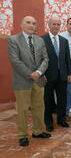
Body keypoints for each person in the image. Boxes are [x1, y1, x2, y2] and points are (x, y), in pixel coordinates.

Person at [7, 16, 51, 147]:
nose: (31, 25)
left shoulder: (40, 40)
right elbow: (15, 61)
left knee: (39, 107)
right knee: (23, 109)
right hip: (22, 80)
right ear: (22, 24)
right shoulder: (13, 40)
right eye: (28, 22)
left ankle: (37, 131)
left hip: (38, 80)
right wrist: (30, 74)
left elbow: (45, 59)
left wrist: (38, 73)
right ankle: (22, 135)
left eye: (34, 23)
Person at [41, 17, 71, 132]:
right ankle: (48, 123)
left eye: (58, 24)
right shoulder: (42, 39)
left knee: (62, 99)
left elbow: (67, 59)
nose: (56, 26)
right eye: (54, 24)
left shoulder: (64, 41)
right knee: (47, 100)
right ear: (49, 25)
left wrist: (69, 73)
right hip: (47, 76)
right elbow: (39, 59)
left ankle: (61, 120)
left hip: (62, 75)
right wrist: (41, 73)